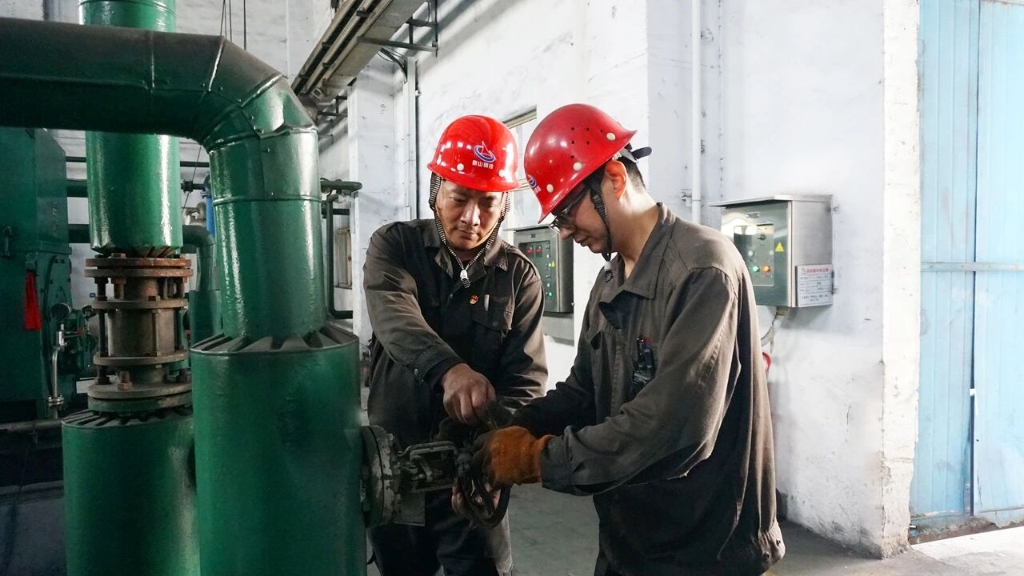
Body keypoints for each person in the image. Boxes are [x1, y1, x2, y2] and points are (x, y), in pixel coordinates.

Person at [466, 103, 785, 576]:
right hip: (630, 539)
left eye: (567, 211)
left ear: (614, 178)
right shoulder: (609, 282)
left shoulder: (702, 269)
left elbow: (675, 427)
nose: (564, 232)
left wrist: (537, 459)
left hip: (707, 550)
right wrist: (517, 428)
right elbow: (584, 390)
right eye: (556, 220)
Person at [363, 114, 547, 576]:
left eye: (487, 203)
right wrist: (450, 370)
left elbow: (525, 380)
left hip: (472, 473)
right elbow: (394, 316)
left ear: (504, 205)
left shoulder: (518, 276)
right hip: (397, 468)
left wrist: (498, 456)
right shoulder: (395, 246)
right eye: (459, 198)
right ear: (436, 190)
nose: (471, 217)